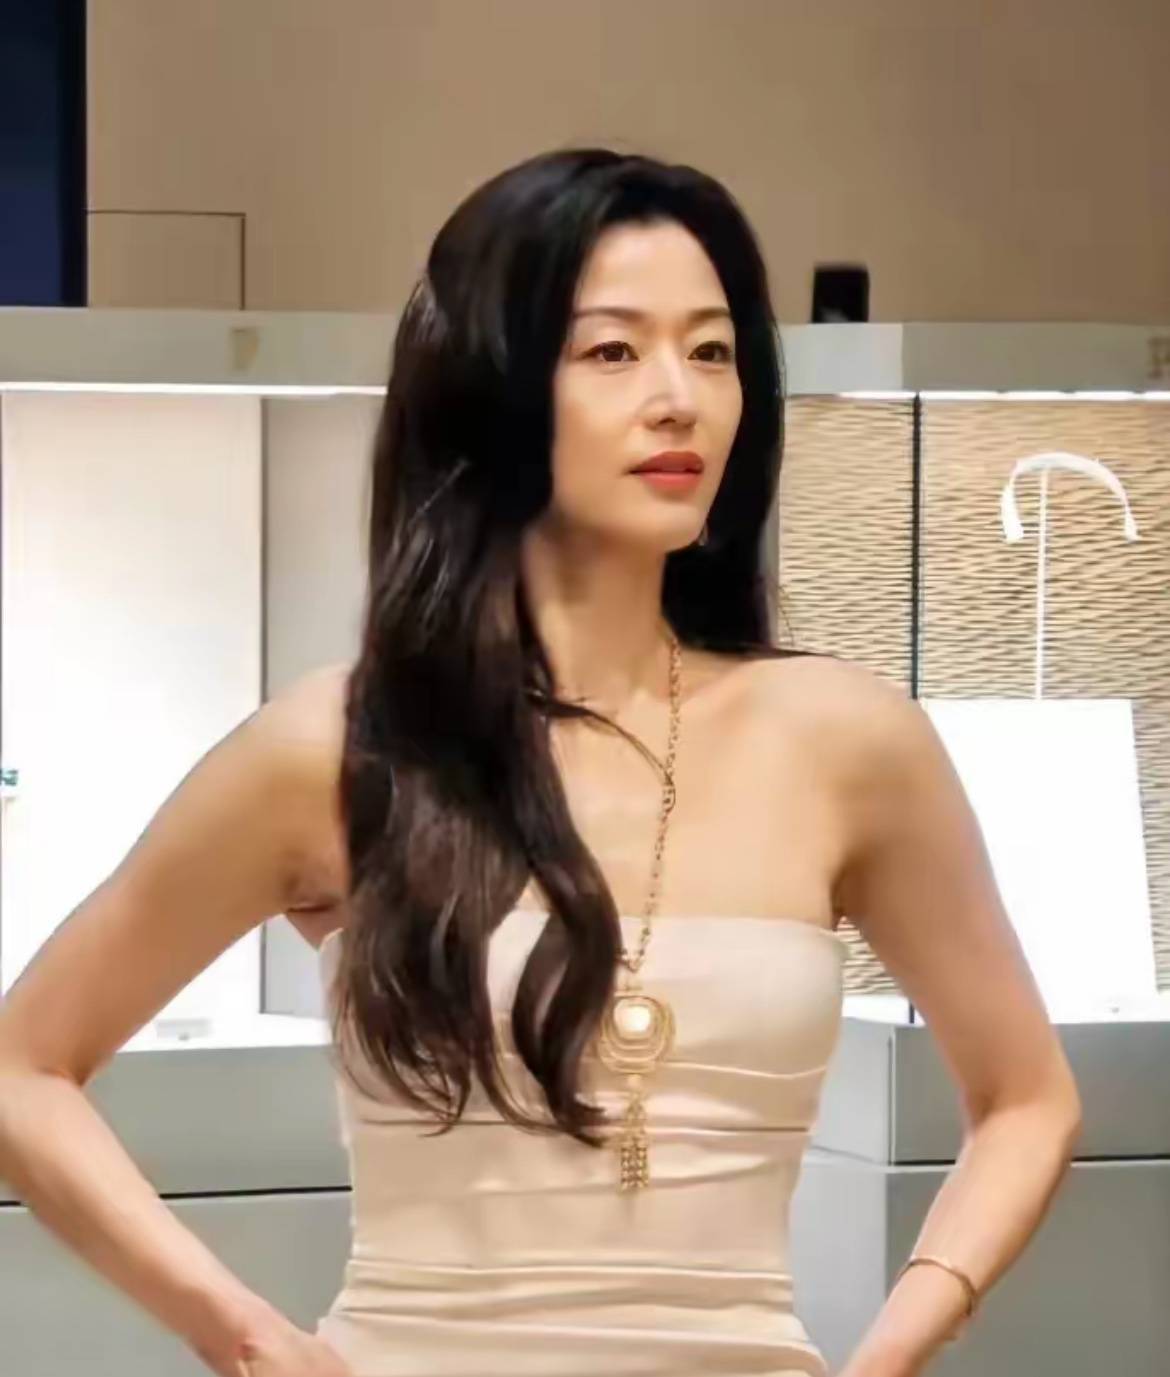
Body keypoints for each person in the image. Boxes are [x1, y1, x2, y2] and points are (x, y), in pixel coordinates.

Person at [0, 147, 1081, 1377]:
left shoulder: (848, 742)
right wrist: (243, 1336)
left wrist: (892, 1351)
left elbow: (1027, 1098)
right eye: (613, 351)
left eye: (712, 351)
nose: (677, 398)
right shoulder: (340, 749)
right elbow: (23, 1067)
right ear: (489, 386)